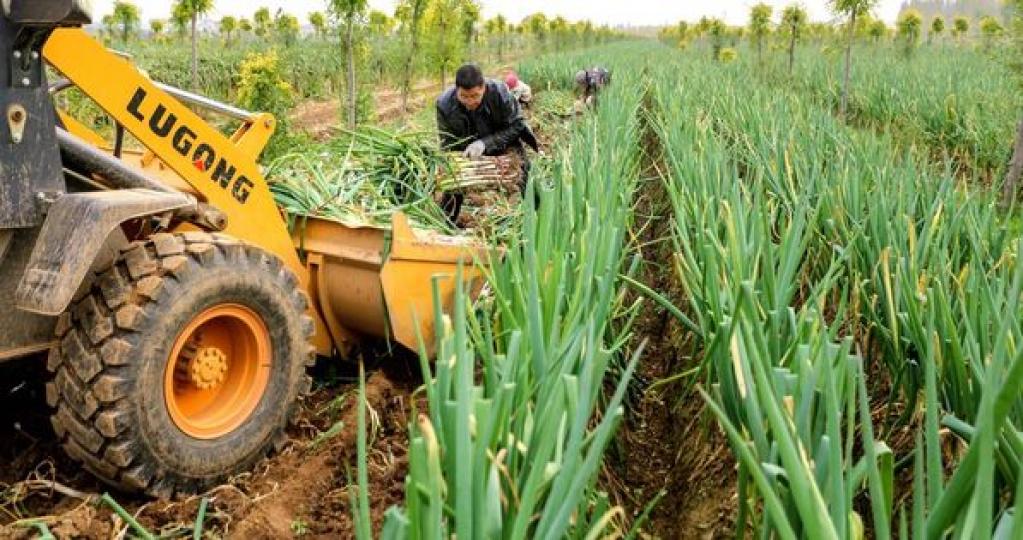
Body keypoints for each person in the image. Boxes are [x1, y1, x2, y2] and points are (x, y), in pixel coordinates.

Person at [436, 64, 539, 222]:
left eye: (475, 96)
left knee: (523, 171)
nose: (470, 102)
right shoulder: (444, 105)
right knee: (454, 182)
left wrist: (485, 144)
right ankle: (444, 224)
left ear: (484, 87)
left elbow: (517, 125)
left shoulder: (499, 93)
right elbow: (448, 141)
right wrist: (454, 163)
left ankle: (538, 217)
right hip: (467, 149)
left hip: (502, 139)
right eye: (464, 96)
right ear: (456, 90)